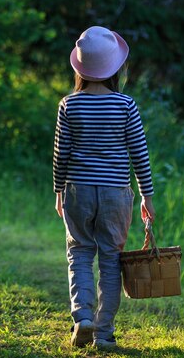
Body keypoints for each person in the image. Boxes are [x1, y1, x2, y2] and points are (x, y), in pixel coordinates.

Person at [53, 26, 156, 349]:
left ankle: (82, 316)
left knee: (80, 253)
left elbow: (61, 154)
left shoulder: (69, 105)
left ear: (80, 68)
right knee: (112, 259)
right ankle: (104, 332)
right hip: (115, 193)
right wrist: (146, 196)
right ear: (114, 68)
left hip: (78, 191)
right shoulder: (126, 105)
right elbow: (139, 153)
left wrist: (59, 191)